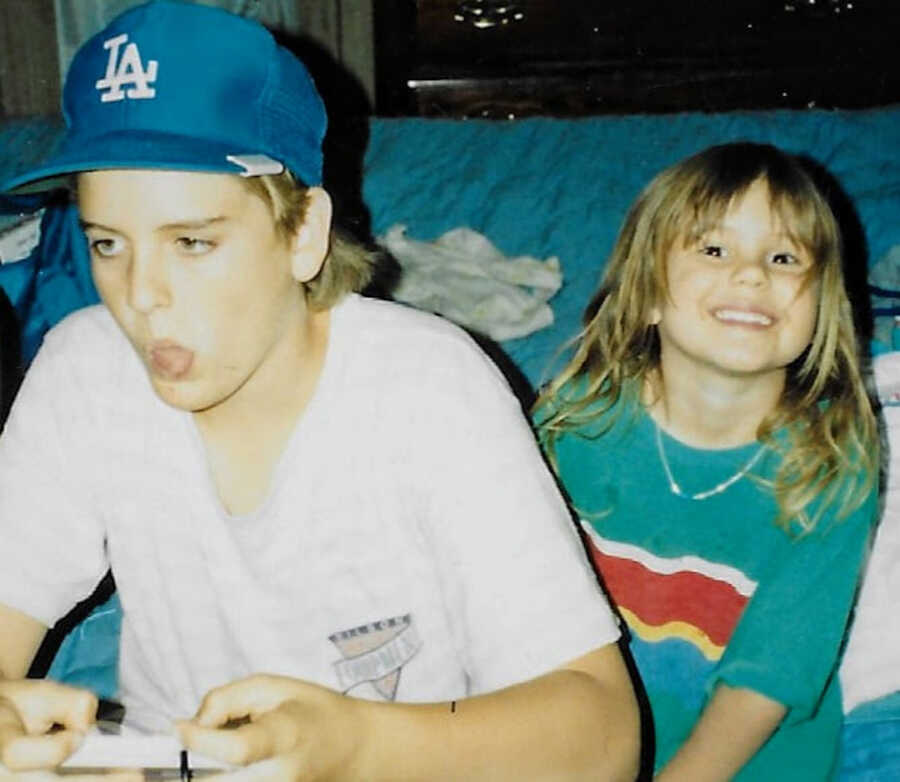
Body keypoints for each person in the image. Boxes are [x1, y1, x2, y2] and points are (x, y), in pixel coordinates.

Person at [0, 1, 640, 779]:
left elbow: (603, 734)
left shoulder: (430, 389)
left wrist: (358, 745)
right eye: (108, 244)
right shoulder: (83, 373)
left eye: (192, 242)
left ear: (303, 233)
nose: (141, 297)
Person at [535, 142, 878, 781]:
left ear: (820, 306)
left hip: (748, 757)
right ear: (647, 296)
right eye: (714, 250)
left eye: (783, 258)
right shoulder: (577, 422)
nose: (752, 275)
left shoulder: (830, 470)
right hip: (582, 730)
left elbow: (767, 679)